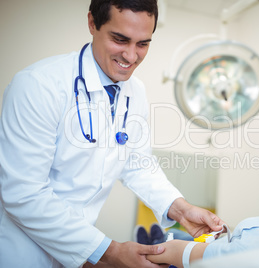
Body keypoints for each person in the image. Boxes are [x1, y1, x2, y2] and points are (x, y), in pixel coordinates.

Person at [0, 1, 223, 267]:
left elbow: (138, 164)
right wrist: (110, 251)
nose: (131, 56)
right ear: (93, 23)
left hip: (77, 253)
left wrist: (181, 209)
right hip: (20, 254)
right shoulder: (39, 86)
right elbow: (24, 193)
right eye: (120, 39)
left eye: (143, 44)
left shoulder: (135, 91)